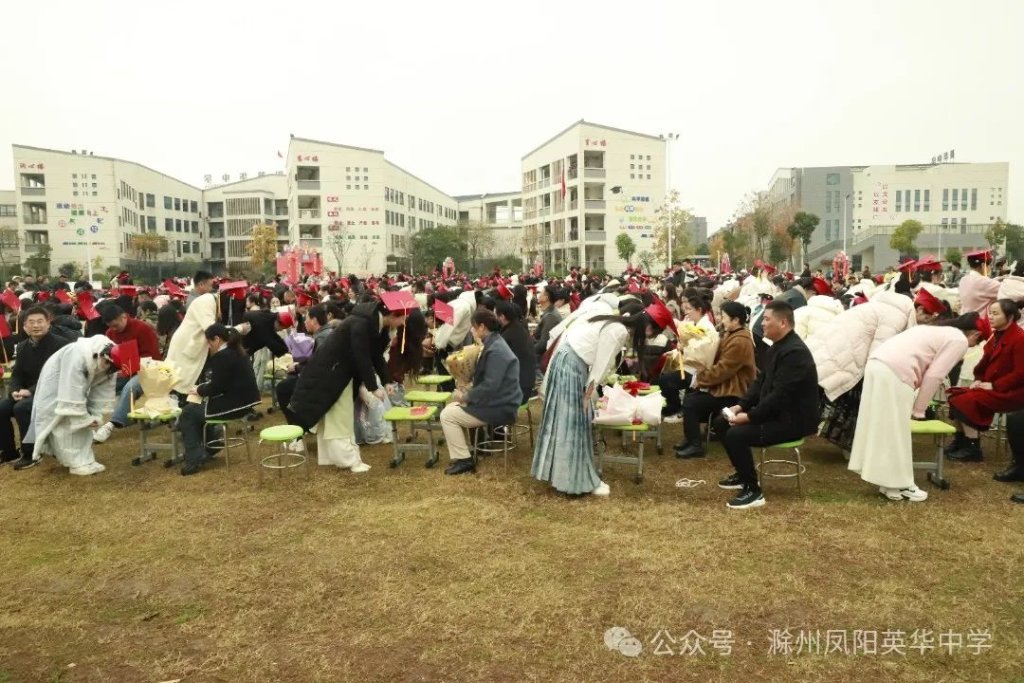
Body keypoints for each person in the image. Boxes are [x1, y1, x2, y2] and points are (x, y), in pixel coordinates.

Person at [531, 300, 676, 496]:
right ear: (648, 327)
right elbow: (600, 368)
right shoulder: (619, 331)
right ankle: (574, 482)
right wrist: (588, 396)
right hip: (571, 365)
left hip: (566, 361)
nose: (647, 338)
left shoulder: (615, 321)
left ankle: (560, 475)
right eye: (651, 334)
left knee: (563, 421)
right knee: (575, 424)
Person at [848, 313, 989, 502]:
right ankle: (902, 484)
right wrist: (919, 409)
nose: (971, 347)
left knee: (882, 427)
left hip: (877, 365)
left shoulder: (935, 330)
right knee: (897, 431)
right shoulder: (958, 340)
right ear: (975, 334)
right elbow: (935, 375)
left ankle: (888, 484)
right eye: (976, 342)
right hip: (896, 372)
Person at [711, 301, 820, 509]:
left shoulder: (795, 353)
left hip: (792, 421)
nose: (762, 323)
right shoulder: (777, 346)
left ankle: (754, 491)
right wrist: (740, 406)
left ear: (783, 323)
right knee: (721, 423)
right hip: (777, 413)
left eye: (767, 319)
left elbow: (780, 396)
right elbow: (760, 382)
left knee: (736, 435)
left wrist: (750, 417)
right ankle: (743, 474)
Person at [287, 292, 411, 472]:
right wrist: (372, 387)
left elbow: (376, 356)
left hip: (339, 373)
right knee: (340, 417)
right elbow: (362, 356)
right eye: (403, 319)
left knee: (335, 416)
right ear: (393, 315)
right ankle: (348, 460)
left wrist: (386, 381)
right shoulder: (362, 323)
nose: (403, 323)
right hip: (333, 374)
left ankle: (334, 457)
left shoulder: (377, 326)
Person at [19, 336, 123, 475]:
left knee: (83, 428)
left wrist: (95, 414)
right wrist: (83, 418)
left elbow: (101, 389)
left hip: (78, 391)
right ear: (101, 355)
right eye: (107, 363)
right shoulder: (75, 356)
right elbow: (71, 390)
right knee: (65, 424)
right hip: (57, 388)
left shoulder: (110, 361)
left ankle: (85, 459)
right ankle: (75, 463)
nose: (108, 368)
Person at [439, 310, 523, 475]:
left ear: (482, 327)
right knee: (450, 409)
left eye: (473, 326)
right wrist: (468, 389)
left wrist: (466, 396)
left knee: (447, 415)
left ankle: (465, 460)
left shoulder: (496, 349)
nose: (471, 330)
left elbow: (490, 385)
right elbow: (490, 383)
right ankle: (466, 454)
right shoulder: (494, 343)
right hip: (499, 401)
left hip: (501, 406)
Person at [674, 301, 757, 459]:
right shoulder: (732, 335)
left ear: (736, 320)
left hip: (734, 393)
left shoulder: (740, 341)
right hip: (724, 387)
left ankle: (695, 444)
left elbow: (722, 370)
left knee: (692, 402)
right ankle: (691, 438)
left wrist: (701, 378)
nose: (720, 319)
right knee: (691, 397)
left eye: (723, 316)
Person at [944, 300, 1024, 462]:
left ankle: (973, 447)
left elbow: (1021, 373)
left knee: (966, 400)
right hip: (992, 387)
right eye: (990, 313)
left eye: (995, 314)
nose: (990, 317)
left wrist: (994, 385)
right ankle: (961, 439)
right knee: (954, 394)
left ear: (1009, 316)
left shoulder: (1020, 338)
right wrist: (978, 380)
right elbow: (983, 365)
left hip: (1013, 392)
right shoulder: (996, 335)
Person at [177, 324, 262, 476]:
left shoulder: (222, 356)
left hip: (234, 405)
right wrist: (203, 388)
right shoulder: (236, 350)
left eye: (209, 343)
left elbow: (217, 387)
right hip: (246, 403)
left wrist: (199, 390)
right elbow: (224, 382)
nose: (208, 347)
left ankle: (195, 457)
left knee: (188, 412)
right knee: (198, 409)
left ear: (216, 339)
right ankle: (212, 446)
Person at [3, 307, 74, 468]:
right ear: (25, 326)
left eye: (40, 321)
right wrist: (14, 390)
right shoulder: (22, 346)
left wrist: (30, 391)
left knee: (21, 408)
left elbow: (59, 376)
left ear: (48, 323)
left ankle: (31, 453)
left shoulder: (61, 345)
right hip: (26, 392)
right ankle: (9, 452)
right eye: (31, 322)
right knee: (2, 407)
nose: (36, 325)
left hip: (53, 393)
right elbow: (17, 374)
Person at [495, 300, 536, 402]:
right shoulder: (519, 328)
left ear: (502, 317)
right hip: (526, 385)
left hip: (517, 390)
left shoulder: (508, 335)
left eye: (495, 314)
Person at [958, 249, 1000, 314]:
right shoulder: (984, 282)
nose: (990, 268)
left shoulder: (963, 280)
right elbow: (1006, 291)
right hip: (979, 319)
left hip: (964, 318)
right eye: (989, 265)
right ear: (983, 266)